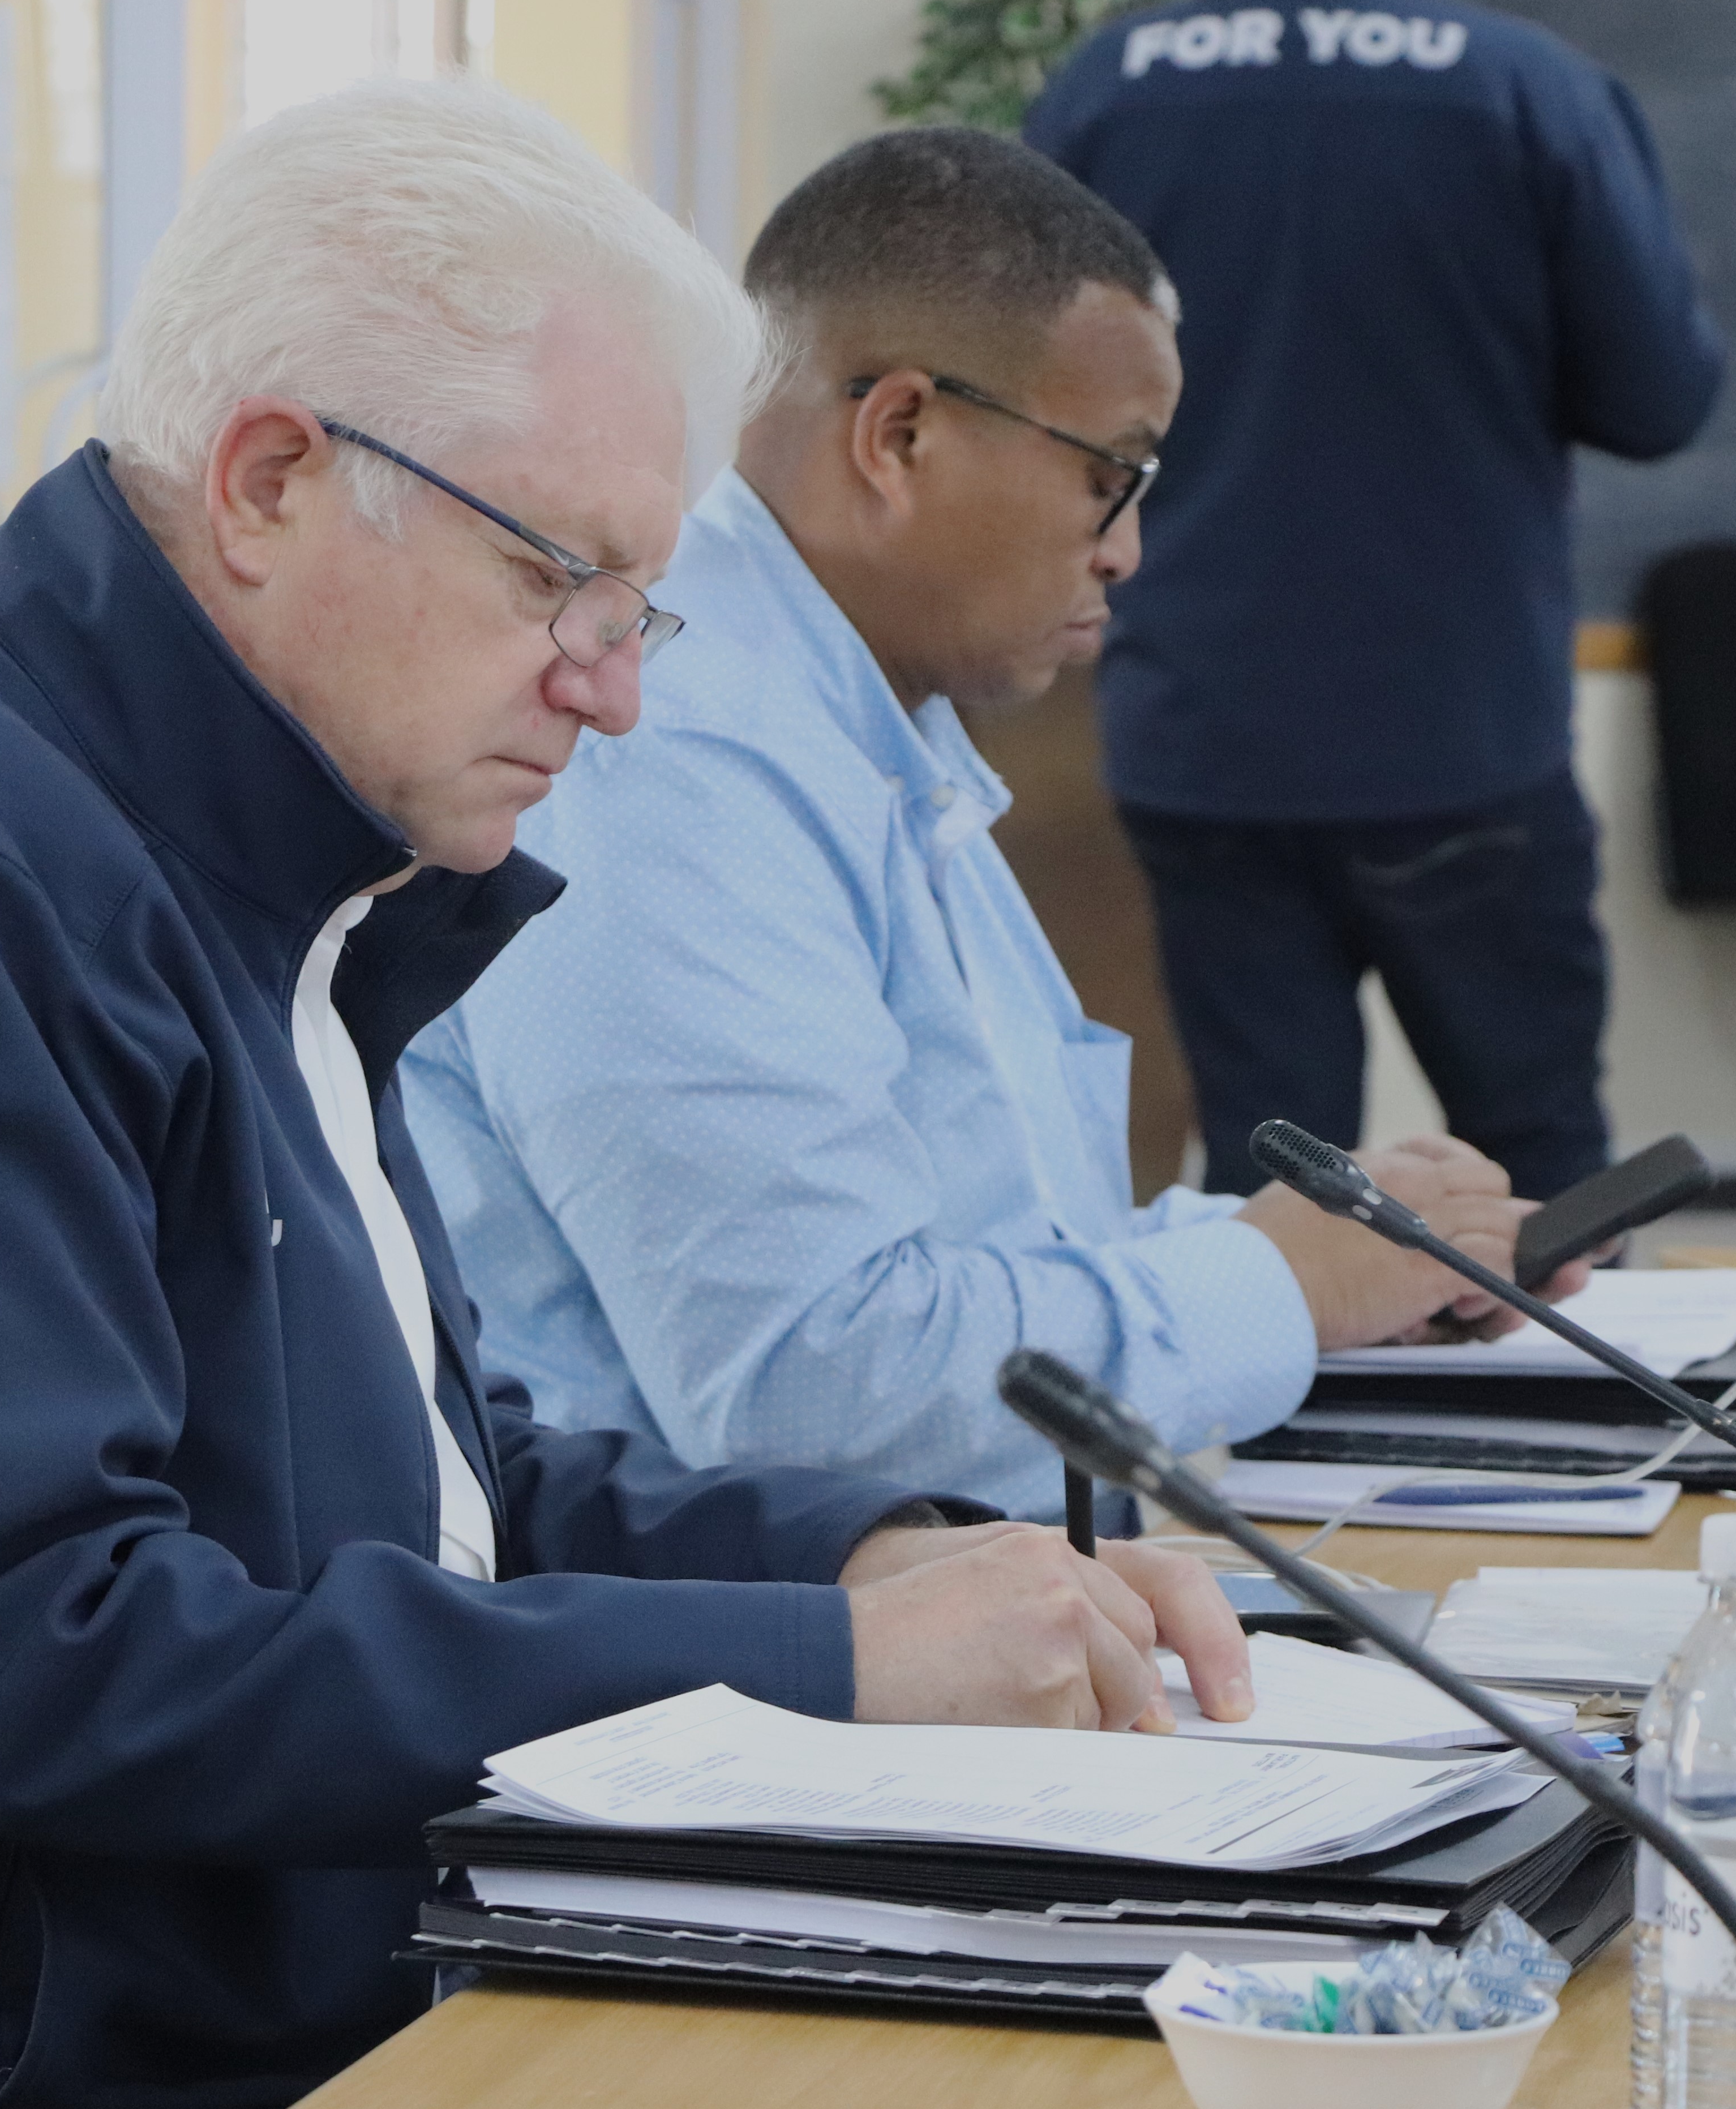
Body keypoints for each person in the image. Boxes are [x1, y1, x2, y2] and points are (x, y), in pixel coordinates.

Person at [0, 86, 1250, 2109]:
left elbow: (422, 1491)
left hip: (220, 2019)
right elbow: (40, 1663)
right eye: (561, 574)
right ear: (275, 479)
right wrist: (819, 1669)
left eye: (640, 601)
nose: (614, 694)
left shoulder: (248, 846)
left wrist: (859, 1559)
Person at [404, 128, 1578, 1523]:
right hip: (711, 1671)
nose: (1129, 547)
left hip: (955, 1604)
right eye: (1112, 474)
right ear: (900, 436)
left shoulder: (872, 730)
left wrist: (1353, 1249)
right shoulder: (675, 752)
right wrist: (1289, 1282)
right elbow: (805, 1385)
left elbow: (1002, 1246)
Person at [1026, 0, 1724, 1201]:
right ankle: (1559, 1382)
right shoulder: (1523, 87)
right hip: (1461, 729)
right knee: (1545, 1177)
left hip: (1202, 723)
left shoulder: (1107, 89)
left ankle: (1289, 1392)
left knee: (1276, 1176)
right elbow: (1659, 401)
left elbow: (1017, 393)